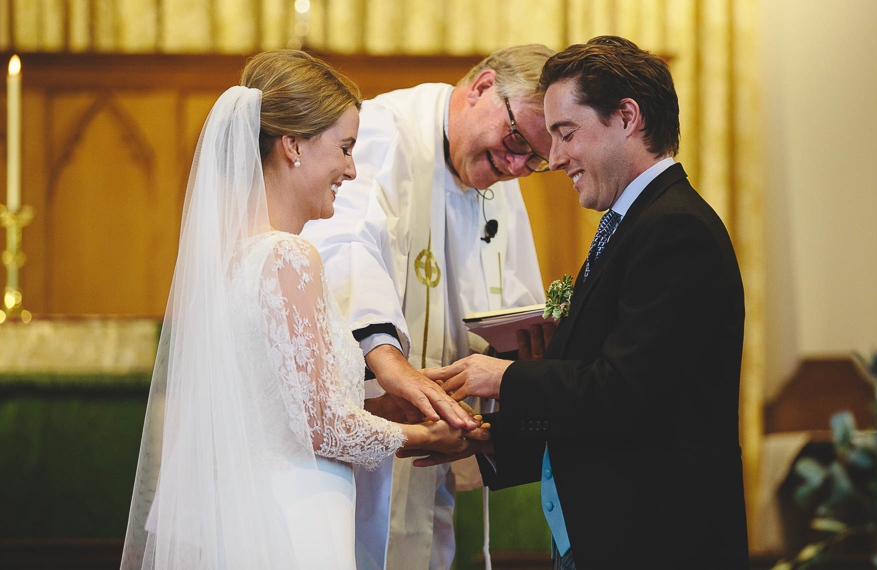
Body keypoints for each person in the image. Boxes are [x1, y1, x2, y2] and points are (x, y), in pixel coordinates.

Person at [120, 50, 483, 570]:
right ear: (292, 146)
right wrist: (429, 435)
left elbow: (277, 412)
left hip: (250, 513)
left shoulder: (230, 260)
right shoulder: (288, 256)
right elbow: (320, 427)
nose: (352, 170)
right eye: (344, 148)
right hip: (292, 520)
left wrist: (384, 407)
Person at [417, 36, 750, 569]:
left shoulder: (675, 230)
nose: (554, 158)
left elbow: (622, 391)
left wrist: (499, 380)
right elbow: (598, 394)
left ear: (627, 116)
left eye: (565, 134)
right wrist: (482, 438)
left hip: (656, 542)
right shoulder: (637, 223)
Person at [300, 44, 555, 569]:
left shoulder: (499, 178)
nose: (515, 165)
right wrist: (392, 365)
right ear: (483, 87)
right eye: (514, 142)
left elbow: (512, 296)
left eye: (537, 160)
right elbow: (346, 243)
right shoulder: (383, 129)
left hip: (436, 437)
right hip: (371, 419)